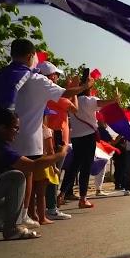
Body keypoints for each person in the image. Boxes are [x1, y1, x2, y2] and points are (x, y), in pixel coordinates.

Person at [0, 39, 95, 228]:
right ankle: (20, 215)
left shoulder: (1, 74)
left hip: (5, 134)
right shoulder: (36, 79)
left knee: (11, 178)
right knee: (28, 178)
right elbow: (66, 95)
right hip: (30, 138)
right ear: (31, 56)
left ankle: (10, 216)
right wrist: (84, 86)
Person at [0, 109, 68, 240]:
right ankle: (12, 229)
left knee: (7, 188)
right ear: (2, 128)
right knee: (16, 177)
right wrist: (61, 154)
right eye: (15, 128)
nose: (17, 133)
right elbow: (32, 165)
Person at [58, 81, 119, 208]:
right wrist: (114, 99)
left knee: (74, 167)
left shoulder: (72, 100)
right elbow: (101, 103)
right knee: (85, 168)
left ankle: (61, 194)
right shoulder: (88, 100)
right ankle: (83, 198)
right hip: (88, 137)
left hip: (75, 137)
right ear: (87, 89)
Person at [40, 62, 76, 220]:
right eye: (56, 75)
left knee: (46, 173)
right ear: (50, 76)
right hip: (57, 138)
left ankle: (43, 207)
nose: (58, 78)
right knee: (54, 173)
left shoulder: (40, 92)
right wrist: (73, 89)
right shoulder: (58, 96)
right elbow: (75, 109)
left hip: (48, 136)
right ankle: (51, 207)